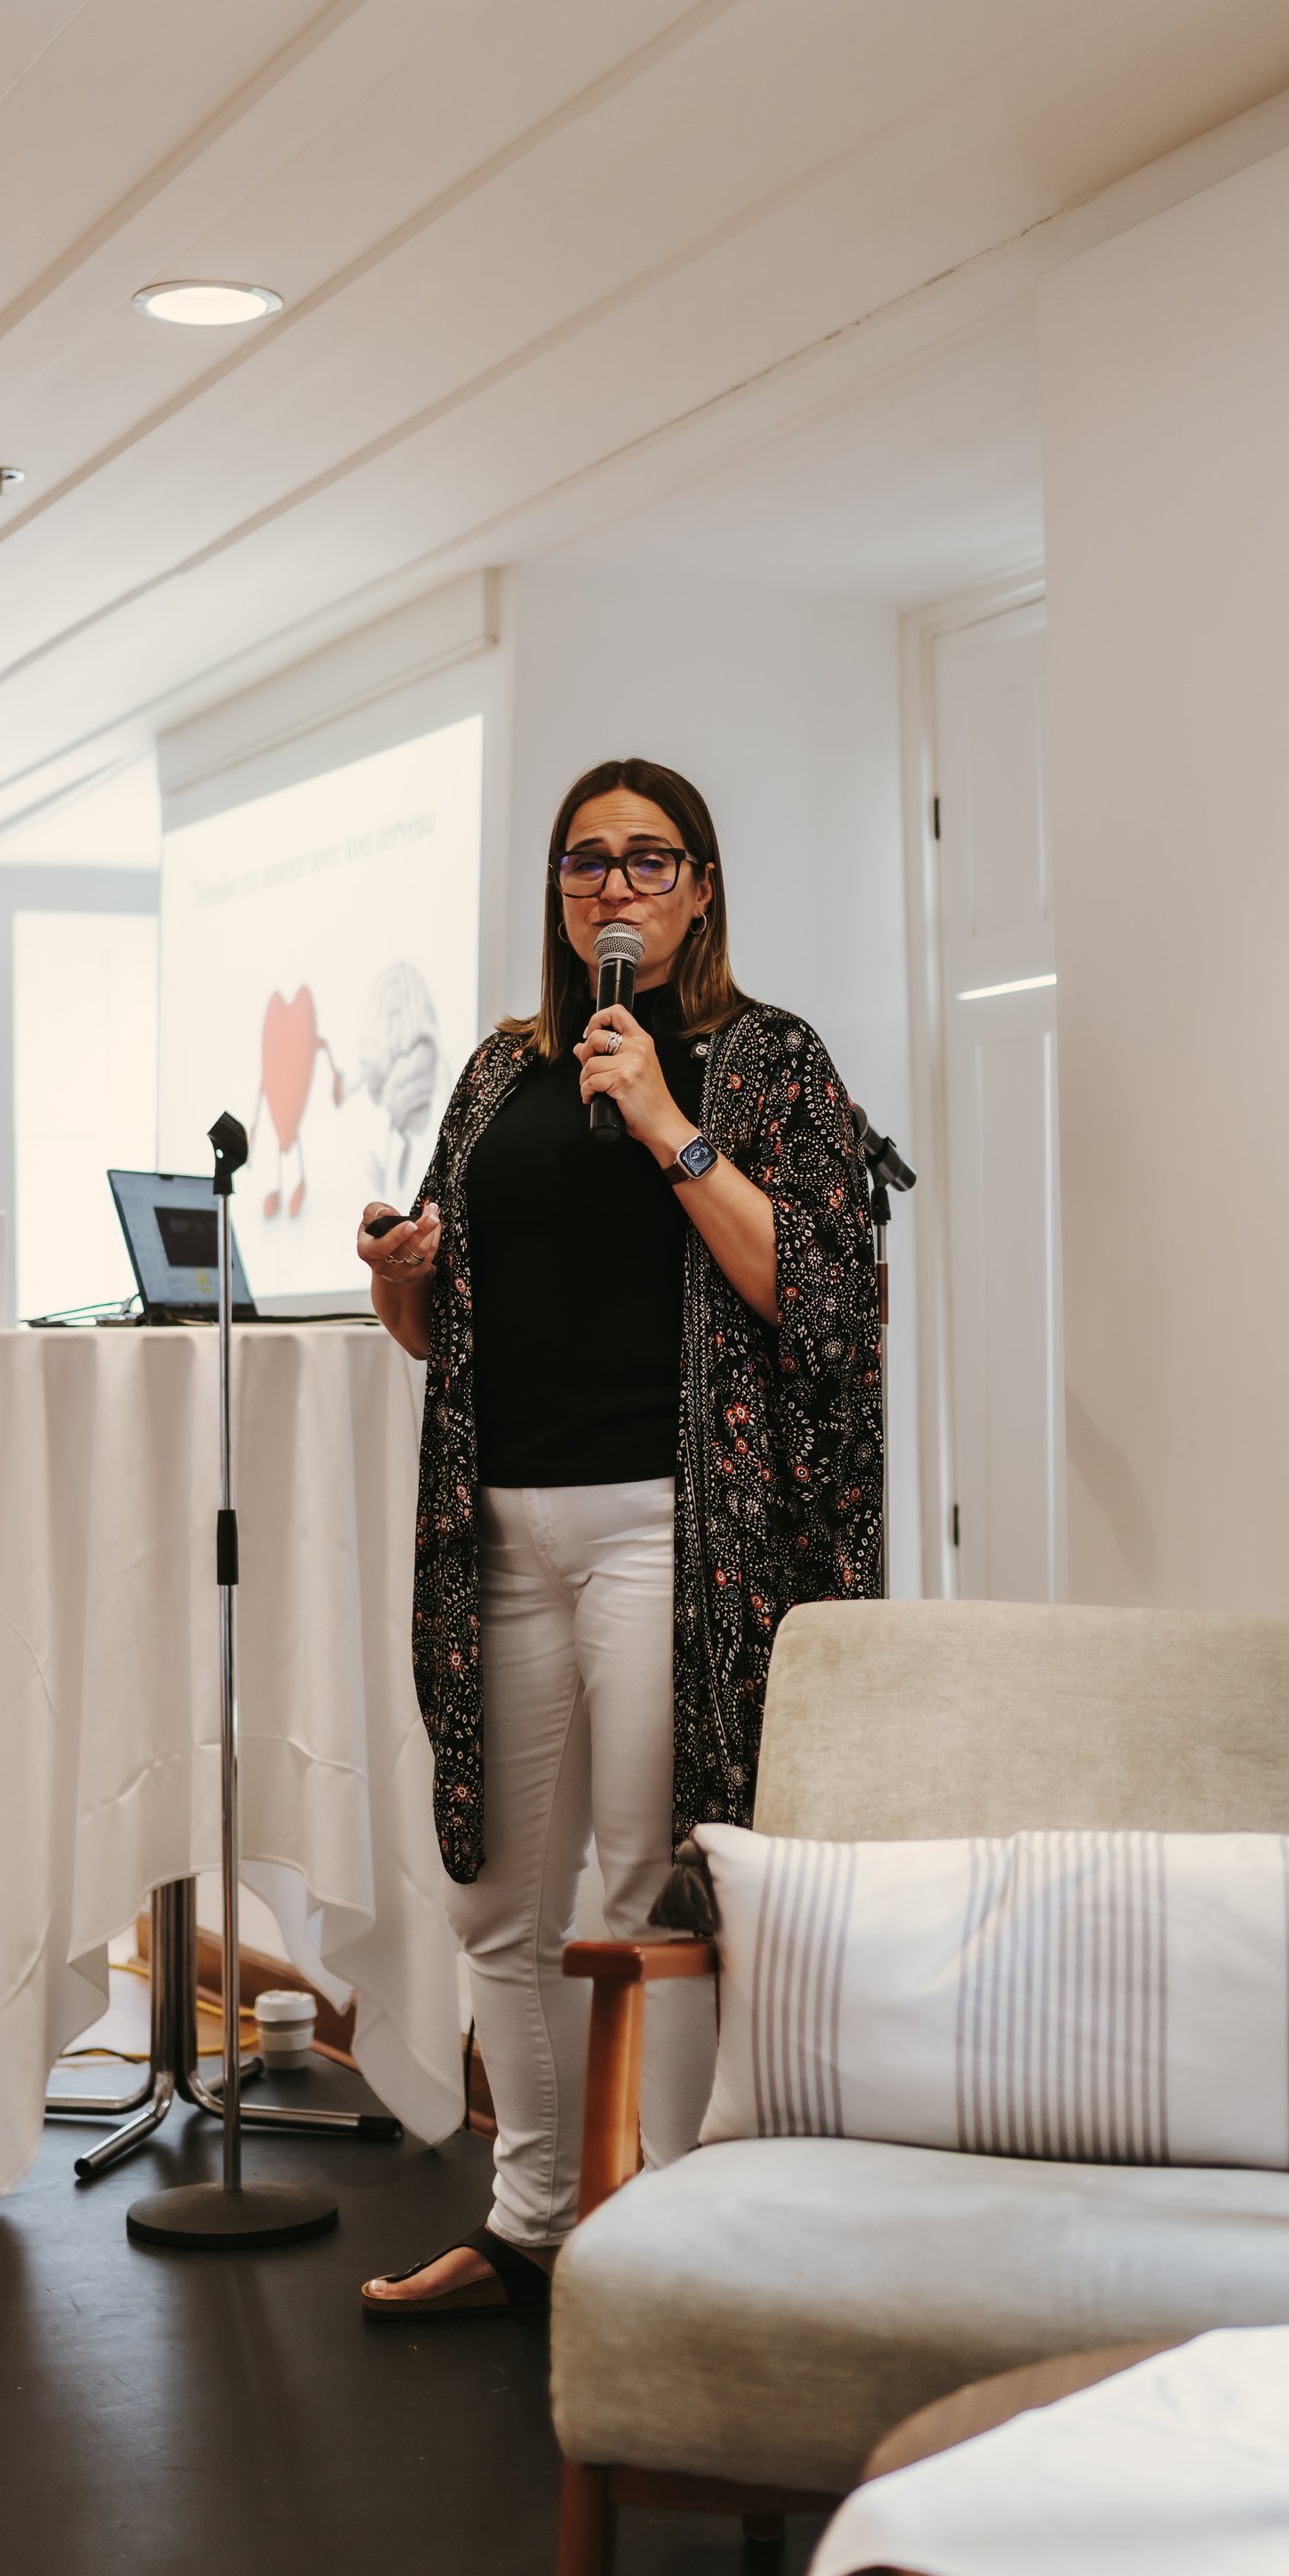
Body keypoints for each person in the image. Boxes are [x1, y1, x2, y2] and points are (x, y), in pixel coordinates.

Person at [356, 757, 883, 2317]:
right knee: (494, 1895)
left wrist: (667, 1124)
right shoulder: (498, 1073)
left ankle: (671, 2236)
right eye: (587, 861)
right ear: (558, 890)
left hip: (674, 1528)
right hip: (499, 1533)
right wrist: (405, 1277)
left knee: (651, 1888)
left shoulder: (769, 1061)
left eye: (651, 860)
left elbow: (821, 1295)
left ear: (701, 888)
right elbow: (437, 1336)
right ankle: (531, 2221)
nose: (615, 887)